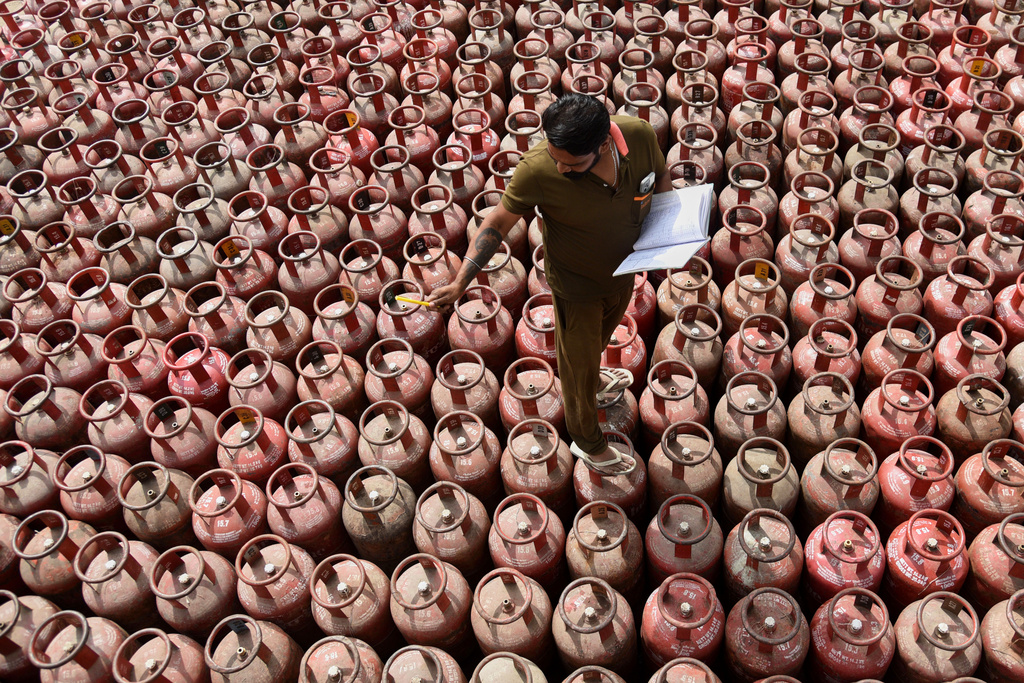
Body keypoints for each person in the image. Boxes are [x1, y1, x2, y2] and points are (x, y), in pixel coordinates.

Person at [428, 93, 672, 471]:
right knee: (575, 370)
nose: (560, 169)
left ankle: (593, 374)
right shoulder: (539, 169)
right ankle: (588, 443)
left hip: (625, 273)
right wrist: (462, 281)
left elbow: (660, 179)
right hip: (576, 287)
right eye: (556, 158)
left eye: (570, 164)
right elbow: (496, 224)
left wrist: (673, 232)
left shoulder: (638, 136)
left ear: (604, 142)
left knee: (598, 341)